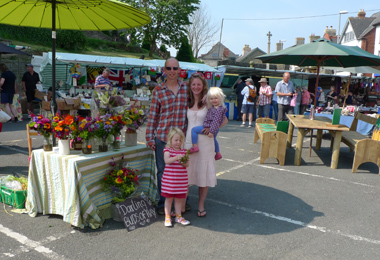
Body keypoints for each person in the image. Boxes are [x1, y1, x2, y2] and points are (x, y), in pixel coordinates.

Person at [146, 58, 191, 215]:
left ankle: (183, 200)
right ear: (164, 70)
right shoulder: (158, 90)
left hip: (180, 139)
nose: (172, 71)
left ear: (179, 69)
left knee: (181, 169)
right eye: (169, 68)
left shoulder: (187, 88)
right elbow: (153, 116)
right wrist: (149, 138)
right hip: (163, 138)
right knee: (163, 171)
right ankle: (162, 203)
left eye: (175, 68)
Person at [184, 73, 227, 218]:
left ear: (203, 87)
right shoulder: (187, 101)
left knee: (203, 176)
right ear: (190, 86)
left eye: (199, 84)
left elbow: (224, 120)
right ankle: (182, 204)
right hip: (189, 143)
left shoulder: (209, 102)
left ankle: (201, 205)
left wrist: (212, 131)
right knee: (186, 176)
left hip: (205, 144)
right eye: (193, 84)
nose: (196, 87)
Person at [162, 127, 190, 227]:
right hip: (169, 181)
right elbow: (167, 161)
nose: (178, 142)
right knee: (169, 199)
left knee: (178, 199)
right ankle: (167, 217)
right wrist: (176, 157)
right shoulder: (167, 150)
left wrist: (185, 161)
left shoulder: (184, 151)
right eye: (176, 140)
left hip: (180, 180)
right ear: (170, 140)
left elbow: (187, 165)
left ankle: (178, 216)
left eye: (180, 140)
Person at [189, 87, 227, 161]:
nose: (213, 100)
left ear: (221, 97)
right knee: (214, 139)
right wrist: (206, 95)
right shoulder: (215, 107)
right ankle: (217, 153)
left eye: (216, 98)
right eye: (211, 99)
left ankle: (195, 146)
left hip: (211, 128)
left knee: (194, 130)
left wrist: (211, 132)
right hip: (213, 128)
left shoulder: (218, 110)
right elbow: (206, 104)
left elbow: (216, 121)